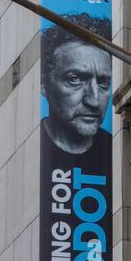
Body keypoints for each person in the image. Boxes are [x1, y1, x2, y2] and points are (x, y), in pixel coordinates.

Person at [40, 14, 112, 155]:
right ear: (44, 84)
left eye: (103, 83)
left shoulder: (116, 149)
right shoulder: (29, 144)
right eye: (75, 80)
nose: (94, 101)